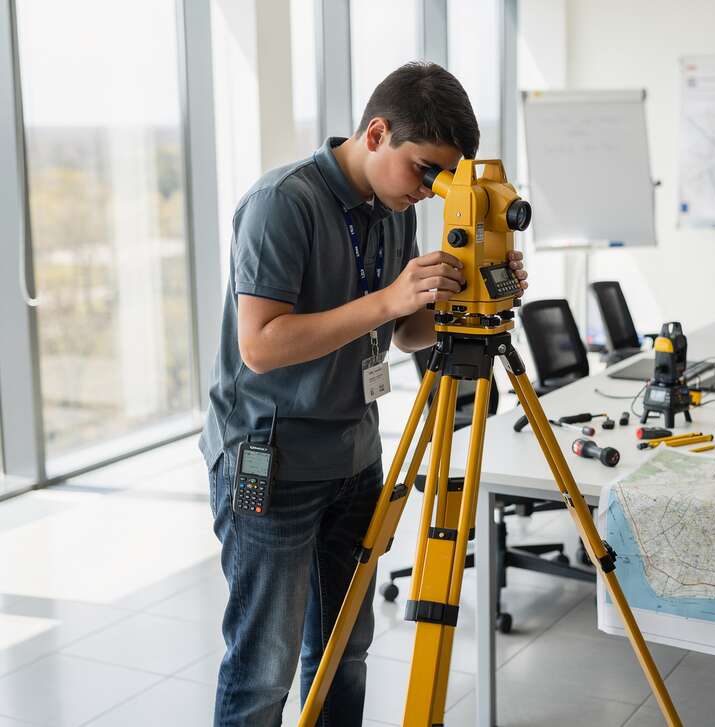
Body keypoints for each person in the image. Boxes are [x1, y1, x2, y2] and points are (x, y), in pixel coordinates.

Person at [199, 61, 529, 726]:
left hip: (355, 458)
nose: (429, 191)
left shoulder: (392, 207)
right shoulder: (281, 203)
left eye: (442, 178)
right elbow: (260, 345)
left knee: (344, 653)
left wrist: (468, 297)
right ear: (376, 133)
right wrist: (389, 299)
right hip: (273, 460)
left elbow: (405, 333)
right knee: (264, 669)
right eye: (424, 170)